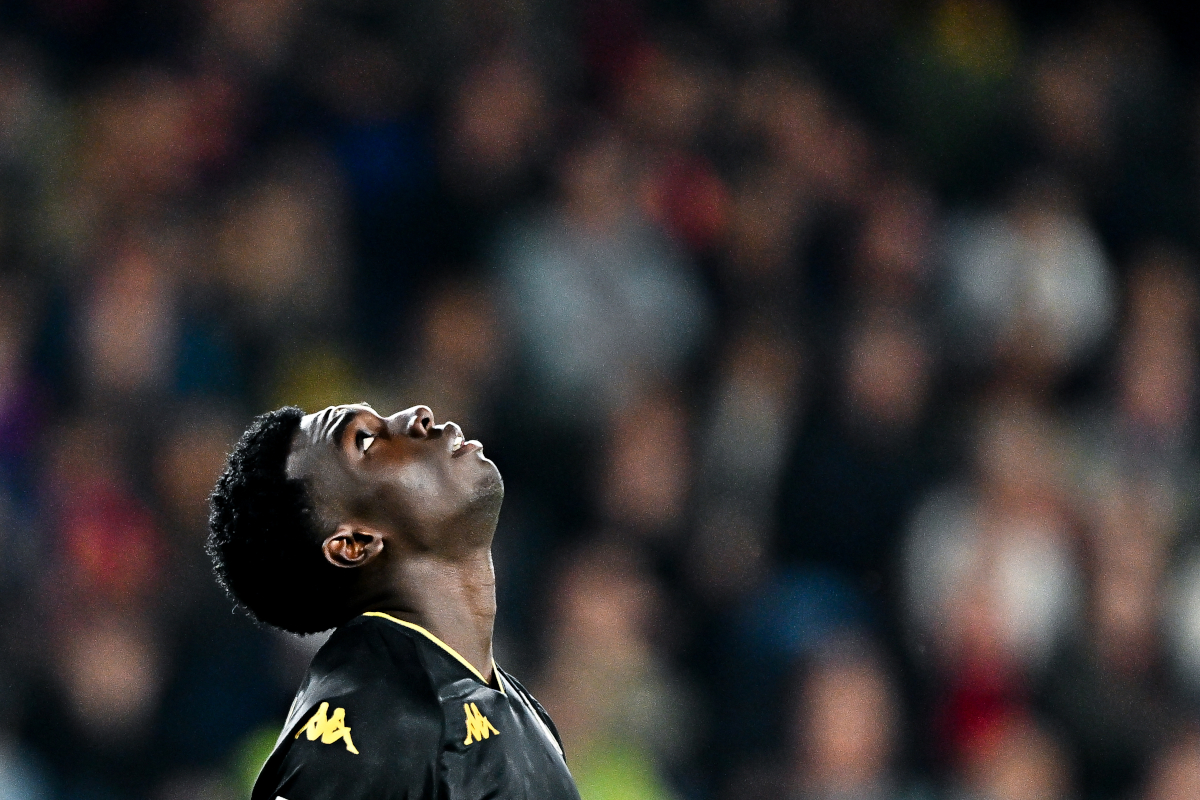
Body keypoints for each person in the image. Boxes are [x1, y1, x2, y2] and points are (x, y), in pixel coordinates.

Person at [207, 403, 581, 799]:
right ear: (355, 544)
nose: (417, 415)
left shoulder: (517, 705)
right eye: (365, 441)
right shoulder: (365, 722)